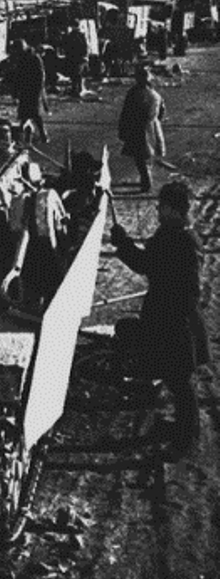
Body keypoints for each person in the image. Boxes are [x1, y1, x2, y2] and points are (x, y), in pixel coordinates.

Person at [110, 181, 209, 457]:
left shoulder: (179, 241)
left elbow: (147, 265)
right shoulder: (177, 235)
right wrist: (124, 244)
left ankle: (185, 440)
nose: (158, 210)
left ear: (175, 210)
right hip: (172, 318)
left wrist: (123, 243)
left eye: (162, 206)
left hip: (175, 321)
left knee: (180, 381)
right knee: (177, 378)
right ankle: (184, 430)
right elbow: (151, 263)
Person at [118, 64, 166, 193]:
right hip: (152, 126)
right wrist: (155, 123)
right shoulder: (155, 94)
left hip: (138, 128)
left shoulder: (133, 93)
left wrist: (123, 129)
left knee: (139, 158)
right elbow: (162, 111)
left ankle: (146, 181)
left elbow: (126, 113)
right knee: (147, 156)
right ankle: (146, 179)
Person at [11, 37, 50, 143]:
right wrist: (15, 92)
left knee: (34, 113)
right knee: (26, 113)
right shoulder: (23, 57)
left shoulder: (34, 57)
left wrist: (39, 89)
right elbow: (17, 76)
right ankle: (25, 133)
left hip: (33, 89)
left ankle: (42, 134)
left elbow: (41, 75)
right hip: (26, 89)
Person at [64, 21, 89, 97]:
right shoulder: (81, 35)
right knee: (78, 74)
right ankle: (78, 89)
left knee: (74, 75)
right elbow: (84, 46)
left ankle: (75, 89)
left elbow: (66, 47)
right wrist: (85, 56)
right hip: (79, 57)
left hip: (73, 57)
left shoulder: (70, 36)